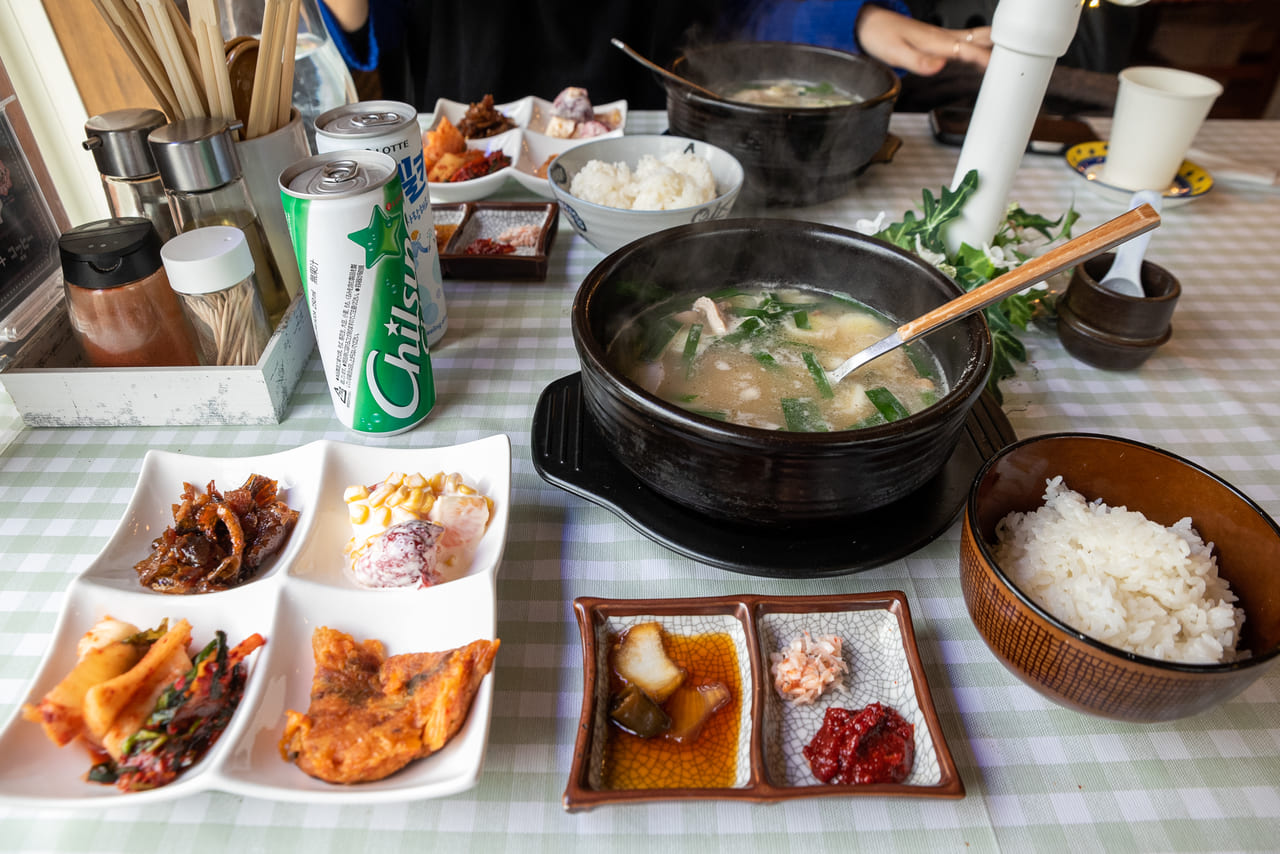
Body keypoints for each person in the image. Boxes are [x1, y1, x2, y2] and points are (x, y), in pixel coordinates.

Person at [319, 0, 991, 110]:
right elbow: (370, 23)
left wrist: (856, 20)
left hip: (652, 153)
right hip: (471, 170)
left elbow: (739, 10)